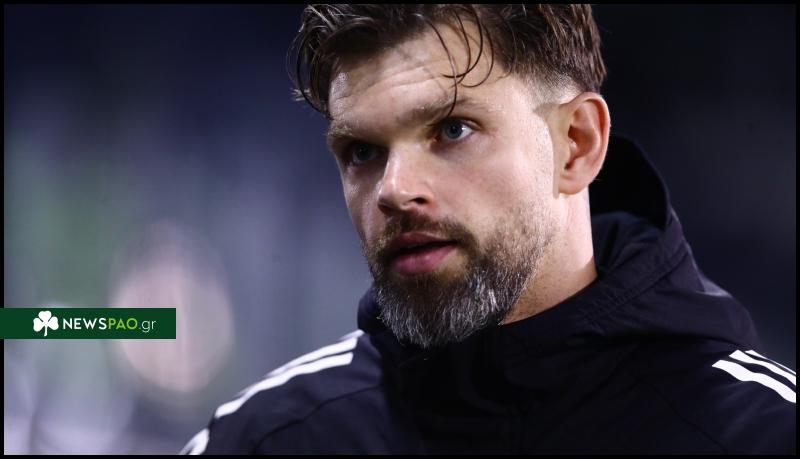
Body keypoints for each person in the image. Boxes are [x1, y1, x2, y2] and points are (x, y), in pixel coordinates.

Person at [181, 5, 795, 454]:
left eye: (452, 130)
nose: (393, 189)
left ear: (577, 144)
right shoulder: (263, 438)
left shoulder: (765, 433)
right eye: (362, 151)